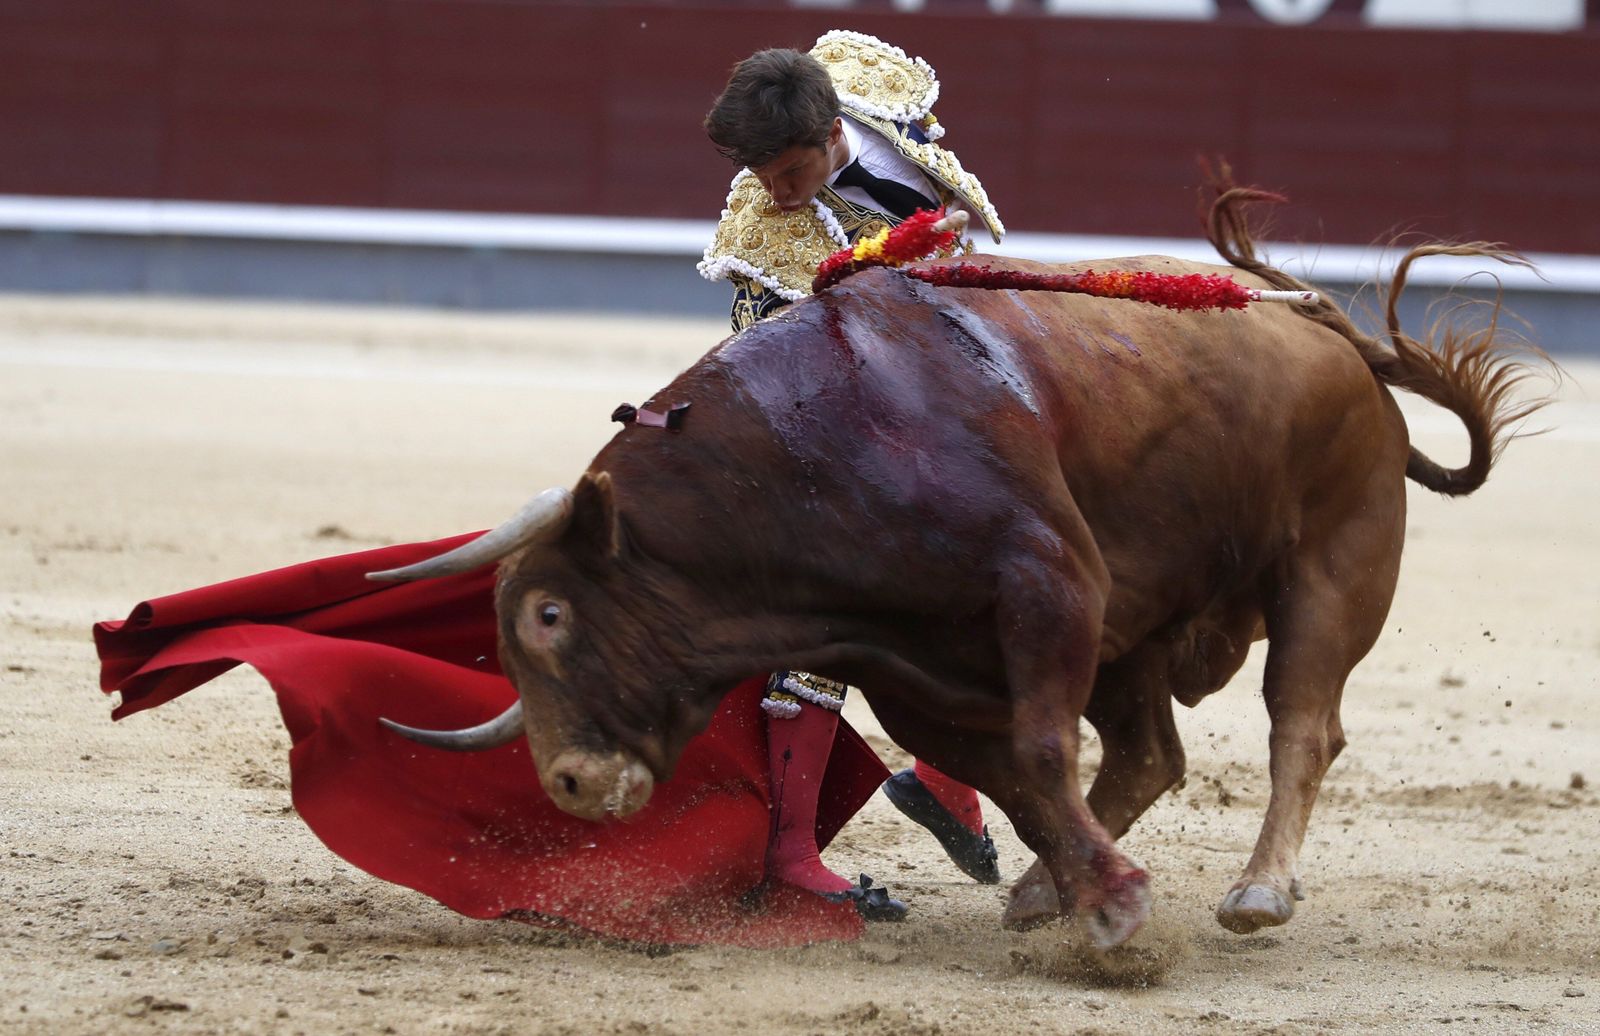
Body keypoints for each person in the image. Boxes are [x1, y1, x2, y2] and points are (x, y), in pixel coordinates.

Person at [698, 31, 1006, 914]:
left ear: (835, 130)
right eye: (759, 177)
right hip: (832, 435)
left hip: (948, 396)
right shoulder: (767, 233)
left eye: (787, 174)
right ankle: (792, 856)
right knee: (817, 629)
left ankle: (945, 780)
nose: (773, 196)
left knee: (989, 598)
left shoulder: (873, 91)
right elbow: (768, 368)